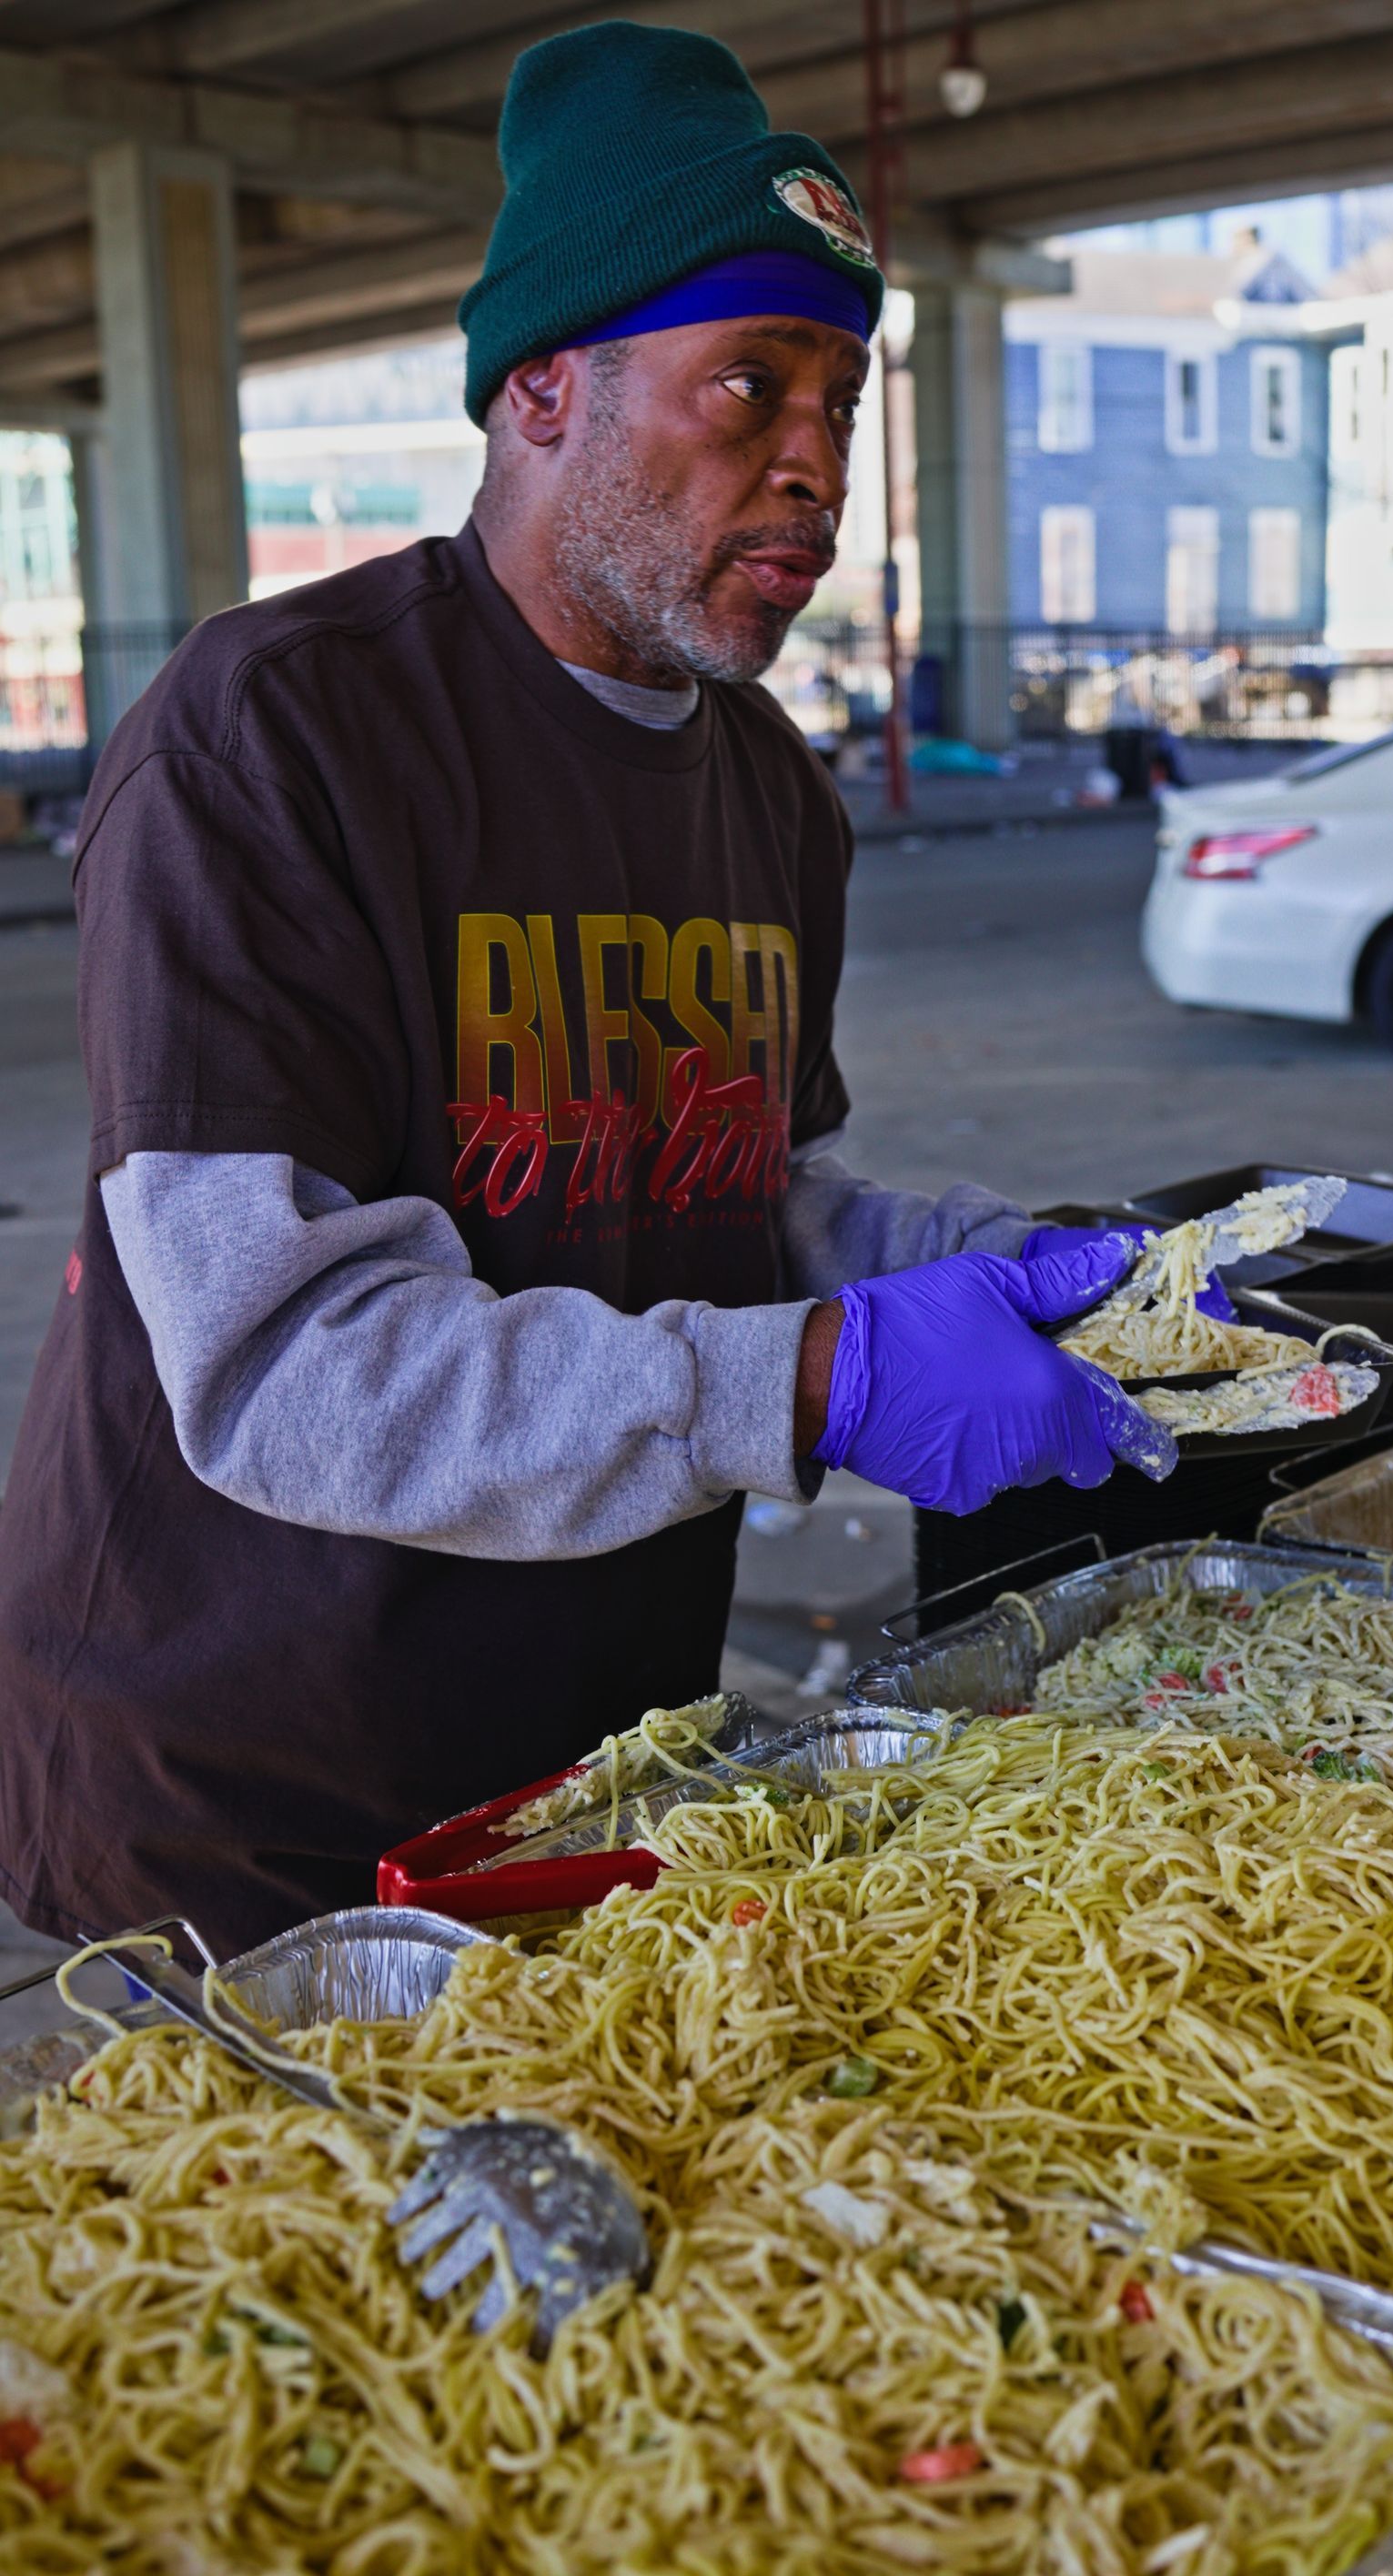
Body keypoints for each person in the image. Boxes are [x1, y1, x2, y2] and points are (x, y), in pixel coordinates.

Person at [0, 24, 1172, 1960]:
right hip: (243, 1795)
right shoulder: (276, 736)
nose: (814, 466)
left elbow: (740, 1194)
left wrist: (1032, 1265)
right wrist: (819, 1378)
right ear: (547, 389)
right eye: (749, 383)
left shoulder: (771, 789)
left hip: (597, 1754)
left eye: (842, 399)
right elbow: (283, 1366)